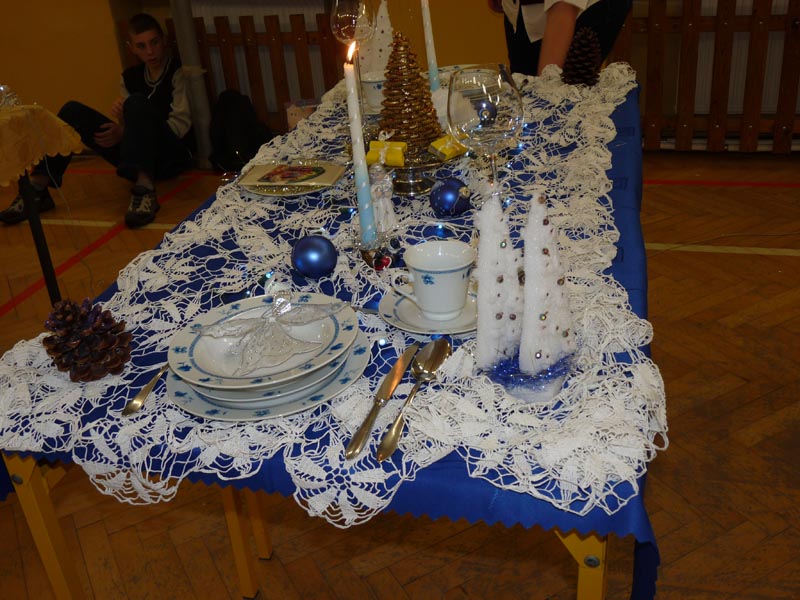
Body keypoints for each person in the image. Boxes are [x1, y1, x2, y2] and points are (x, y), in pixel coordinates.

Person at [0, 13, 194, 228]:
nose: (150, 51)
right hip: (137, 155)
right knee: (72, 110)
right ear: (131, 48)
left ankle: (145, 189)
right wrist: (121, 126)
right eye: (141, 46)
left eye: (154, 42)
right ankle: (38, 188)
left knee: (136, 102)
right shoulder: (130, 77)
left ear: (163, 41)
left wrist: (127, 129)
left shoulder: (177, 72)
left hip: (170, 156)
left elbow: (180, 126)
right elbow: (129, 129)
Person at [488, 0, 632, 76]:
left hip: (581, 12)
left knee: (563, 97)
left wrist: (545, 90)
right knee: (522, 88)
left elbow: (563, 12)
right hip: (523, 12)